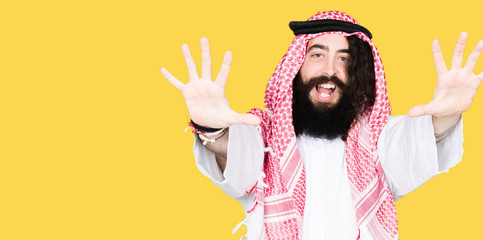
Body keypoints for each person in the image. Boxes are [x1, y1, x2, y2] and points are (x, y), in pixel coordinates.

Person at [161, 11, 483, 240]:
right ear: (297, 66)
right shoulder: (267, 139)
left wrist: (446, 115)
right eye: (318, 54)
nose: (330, 70)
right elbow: (237, 156)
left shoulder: (377, 143)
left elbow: (418, 143)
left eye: (344, 59)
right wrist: (210, 127)